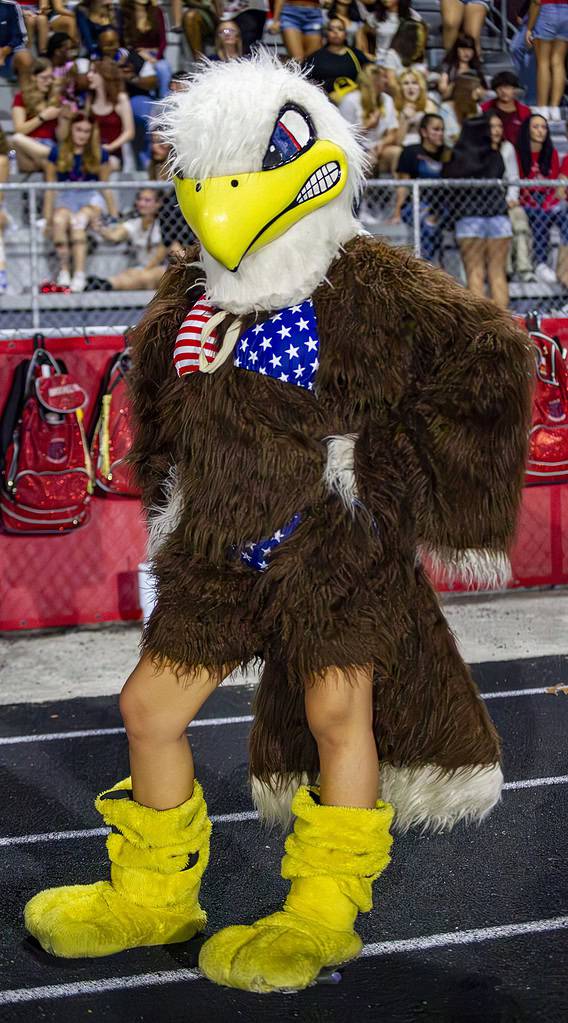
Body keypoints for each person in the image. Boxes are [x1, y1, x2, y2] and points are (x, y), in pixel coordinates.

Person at [23, 57, 533, 996]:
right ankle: (152, 894)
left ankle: (323, 910)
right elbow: (165, 405)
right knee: (150, 708)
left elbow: (491, 359)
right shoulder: (193, 294)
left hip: (329, 555)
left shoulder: (365, 278)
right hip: (221, 552)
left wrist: (377, 478)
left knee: (338, 711)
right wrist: (174, 500)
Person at [43, 112, 117, 292]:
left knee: (79, 221)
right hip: (66, 195)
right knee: (59, 221)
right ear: (71, 130)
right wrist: (47, 218)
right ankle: (64, 270)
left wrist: (114, 214)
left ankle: (80, 274)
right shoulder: (57, 151)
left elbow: (104, 186)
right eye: (78, 130)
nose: (82, 135)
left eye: (86, 131)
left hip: (90, 196)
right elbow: (50, 187)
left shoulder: (100, 153)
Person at [444, 114, 512, 308]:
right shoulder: (495, 155)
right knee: (497, 274)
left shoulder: (459, 157)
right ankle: (503, 328)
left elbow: (449, 185)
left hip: (469, 218)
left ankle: (482, 330)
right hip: (498, 216)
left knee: (475, 272)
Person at [391, 111, 451, 262]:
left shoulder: (448, 153)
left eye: (442, 130)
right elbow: (403, 185)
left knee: (433, 222)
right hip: (414, 205)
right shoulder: (411, 152)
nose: (440, 134)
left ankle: (426, 266)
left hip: (441, 206)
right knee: (427, 224)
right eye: (436, 129)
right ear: (424, 132)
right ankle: (427, 265)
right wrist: (397, 212)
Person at [517, 112, 568, 284]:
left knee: (563, 216)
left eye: (544, 127)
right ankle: (540, 264)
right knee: (540, 216)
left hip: (547, 199)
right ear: (528, 130)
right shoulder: (518, 153)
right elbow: (519, 185)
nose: (540, 131)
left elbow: (553, 185)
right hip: (526, 200)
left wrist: (547, 204)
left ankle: (560, 267)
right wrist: (537, 205)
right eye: (536, 127)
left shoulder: (551, 153)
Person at [86, 186, 166, 290]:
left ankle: (106, 285)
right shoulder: (135, 223)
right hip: (142, 268)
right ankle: (104, 284)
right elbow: (115, 236)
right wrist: (100, 229)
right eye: (140, 199)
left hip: (161, 267)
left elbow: (161, 254)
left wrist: (143, 270)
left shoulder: (163, 225)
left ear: (158, 204)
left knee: (145, 276)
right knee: (130, 274)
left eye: (147, 200)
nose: (141, 204)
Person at [489, 112, 535, 283]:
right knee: (502, 225)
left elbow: (514, 178)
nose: (496, 130)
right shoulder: (478, 148)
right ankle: (505, 270)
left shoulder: (507, 147)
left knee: (519, 219)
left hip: (505, 199)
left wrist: (511, 197)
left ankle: (524, 269)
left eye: (499, 126)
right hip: (485, 204)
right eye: (492, 126)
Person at [339, 64, 399, 172]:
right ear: (374, 81)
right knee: (368, 160)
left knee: (396, 152)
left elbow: (393, 133)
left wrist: (382, 144)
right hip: (356, 150)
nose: (387, 81)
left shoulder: (387, 100)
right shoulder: (350, 100)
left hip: (379, 148)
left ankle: (397, 188)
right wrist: (368, 126)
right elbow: (344, 136)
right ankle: (365, 189)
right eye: (384, 77)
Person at [11, 58, 62, 172]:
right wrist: (42, 117)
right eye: (44, 78)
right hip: (28, 148)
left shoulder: (56, 99)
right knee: (16, 139)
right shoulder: (21, 97)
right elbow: (19, 130)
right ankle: (55, 154)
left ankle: (54, 155)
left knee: (46, 163)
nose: (48, 82)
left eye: (51, 78)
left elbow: (61, 134)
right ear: (33, 77)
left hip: (50, 145)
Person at [87, 56, 135, 170]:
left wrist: (109, 147)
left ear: (105, 75)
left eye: (93, 72)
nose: (89, 76)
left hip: (112, 155)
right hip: (90, 153)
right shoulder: (89, 99)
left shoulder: (120, 99)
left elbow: (129, 132)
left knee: (105, 165)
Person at [304, 16, 369, 98]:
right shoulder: (316, 57)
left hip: (353, 98)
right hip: (323, 101)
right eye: (331, 29)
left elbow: (370, 74)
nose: (335, 32)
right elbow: (304, 81)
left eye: (340, 29)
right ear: (326, 34)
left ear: (345, 34)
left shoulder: (356, 54)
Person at [118, 0, 171, 99]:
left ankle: (164, 104)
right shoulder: (124, 13)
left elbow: (163, 41)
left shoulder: (157, 11)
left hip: (155, 54)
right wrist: (138, 53)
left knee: (163, 68)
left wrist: (155, 57)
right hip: (135, 55)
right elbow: (122, 42)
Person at [525, 0, 568, 119]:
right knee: (558, 62)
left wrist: (529, 28)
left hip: (548, 11)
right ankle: (555, 109)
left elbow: (536, 1)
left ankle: (542, 108)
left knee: (543, 63)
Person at [390, 67, 438, 168]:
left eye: (414, 83)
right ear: (400, 88)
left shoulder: (429, 105)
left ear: (420, 86)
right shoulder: (394, 108)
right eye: (406, 83)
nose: (410, 87)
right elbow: (398, 141)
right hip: (404, 150)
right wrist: (404, 118)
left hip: (426, 149)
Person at [480, 70, 531, 146]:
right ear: (495, 90)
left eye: (507, 87)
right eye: (500, 88)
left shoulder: (525, 112)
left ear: (514, 89)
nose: (503, 91)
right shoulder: (484, 109)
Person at [436, 32, 486, 100]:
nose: (466, 53)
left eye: (469, 50)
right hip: (452, 99)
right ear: (456, 50)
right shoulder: (447, 67)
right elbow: (442, 89)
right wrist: (457, 83)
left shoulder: (476, 68)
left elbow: (483, 90)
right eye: (463, 49)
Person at [440, 71, 482, 146]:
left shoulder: (478, 109)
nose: (479, 91)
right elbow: (448, 138)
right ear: (465, 89)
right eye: (475, 88)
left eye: (479, 87)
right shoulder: (445, 108)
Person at [0, 0, 33, 85]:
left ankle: (28, 92)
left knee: (25, 57)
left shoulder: (11, 6)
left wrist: (5, 51)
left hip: (9, 50)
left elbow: (20, 36)